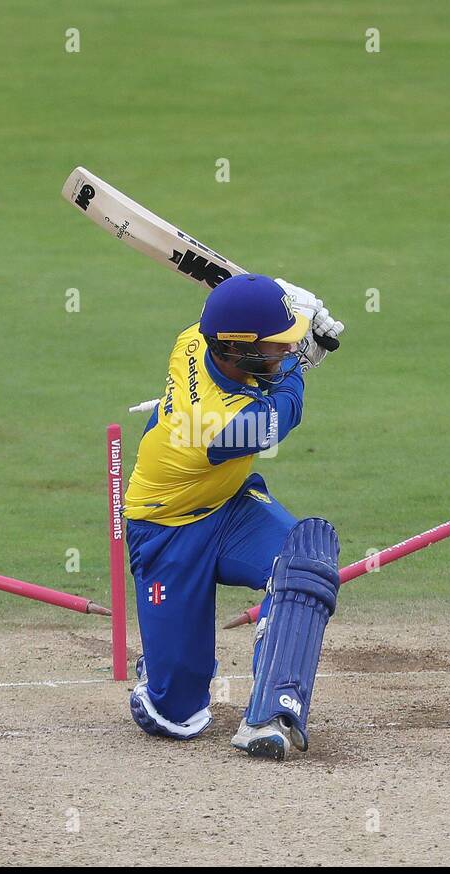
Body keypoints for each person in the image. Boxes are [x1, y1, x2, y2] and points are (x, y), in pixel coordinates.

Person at [123, 273, 345, 760]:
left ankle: (271, 713)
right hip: (166, 531)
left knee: (304, 557)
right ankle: (160, 678)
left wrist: (294, 311)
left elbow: (241, 304)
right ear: (237, 352)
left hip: (229, 507)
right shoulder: (218, 427)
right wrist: (300, 360)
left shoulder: (196, 336)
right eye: (276, 348)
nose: (285, 354)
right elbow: (285, 411)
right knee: (177, 716)